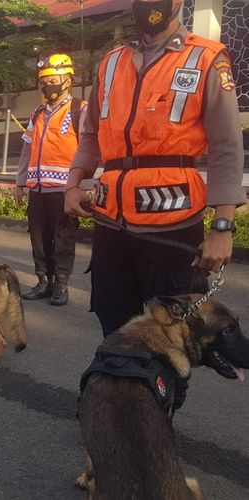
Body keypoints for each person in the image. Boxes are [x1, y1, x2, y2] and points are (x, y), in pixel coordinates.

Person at [64, 0, 245, 337]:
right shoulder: (111, 62)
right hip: (112, 224)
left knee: (170, 334)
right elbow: (90, 133)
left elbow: (226, 145)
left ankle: (163, 390)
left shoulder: (206, 58)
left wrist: (223, 226)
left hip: (172, 225)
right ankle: (116, 390)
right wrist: (73, 183)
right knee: (114, 323)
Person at [14, 54, 86, 306]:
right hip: (38, 188)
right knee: (39, 237)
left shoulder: (80, 109)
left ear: (67, 80)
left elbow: (90, 149)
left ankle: (62, 284)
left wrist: (83, 186)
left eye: (52, 80)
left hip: (64, 189)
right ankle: (44, 280)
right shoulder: (37, 113)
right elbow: (26, 150)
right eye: (43, 81)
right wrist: (20, 182)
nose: (47, 86)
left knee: (63, 237)